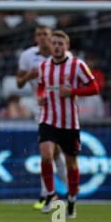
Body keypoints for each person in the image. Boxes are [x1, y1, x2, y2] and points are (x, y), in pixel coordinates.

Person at [37, 30, 100, 218]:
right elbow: (41, 85)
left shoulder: (77, 65)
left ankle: (72, 199)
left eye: (60, 43)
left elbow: (94, 87)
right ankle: (50, 194)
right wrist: (40, 96)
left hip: (70, 123)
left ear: (67, 46)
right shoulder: (43, 66)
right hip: (48, 119)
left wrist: (73, 91)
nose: (56, 46)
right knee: (46, 155)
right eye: (54, 43)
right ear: (50, 45)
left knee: (72, 165)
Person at [16, 26, 68, 210]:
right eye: (39, 34)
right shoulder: (28, 56)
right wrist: (31, 74)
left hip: (63, 108)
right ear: (35, 37)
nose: (42, 37)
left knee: (55, 152)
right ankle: (51, 194)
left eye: (46, 34)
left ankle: (51, 194)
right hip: (42, 108)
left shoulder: (64, 56)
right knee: (49, 152)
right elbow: (19, 82)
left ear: (51, 36)